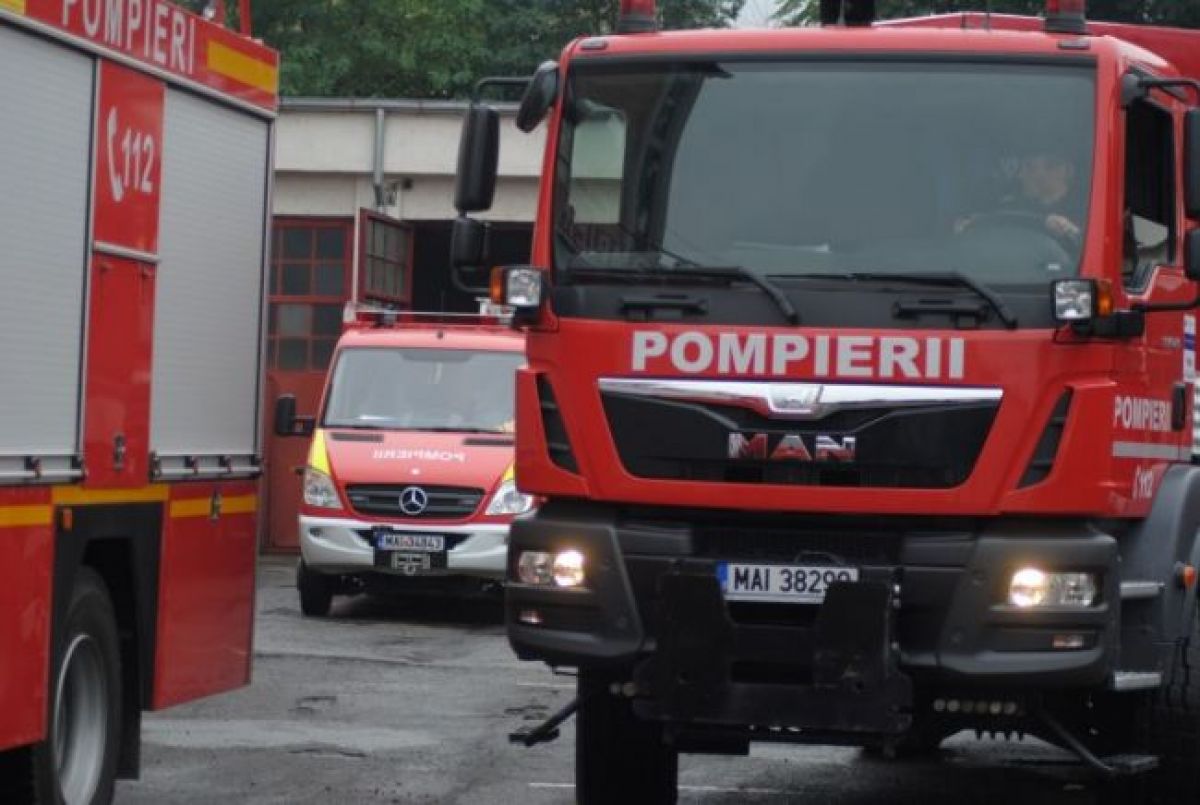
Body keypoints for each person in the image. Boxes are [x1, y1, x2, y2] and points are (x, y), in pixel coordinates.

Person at [956, 151, 1083, 247]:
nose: (1020, 175)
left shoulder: (1085, 211)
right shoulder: (1010, 206)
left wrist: (1070, 231)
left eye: (1029, 167)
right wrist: (969, 225)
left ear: (1062, 170)